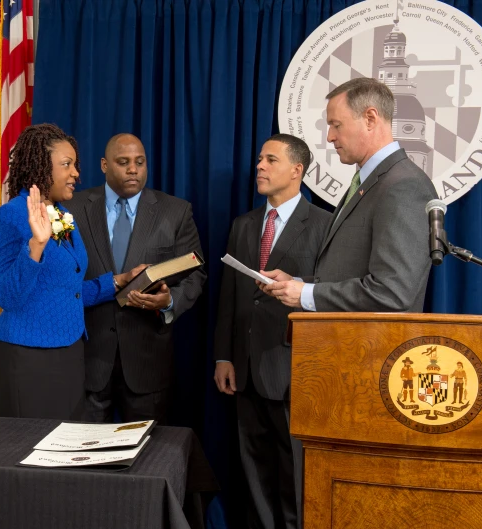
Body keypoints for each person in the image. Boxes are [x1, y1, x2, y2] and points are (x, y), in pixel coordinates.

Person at [213, 134, 331, 529]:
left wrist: (298, 283)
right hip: (244, 370)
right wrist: (224, 355)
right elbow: (230, 295)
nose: (259, 166)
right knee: (254, 473)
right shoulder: (244, 224)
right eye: (259, 158)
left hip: (293, 371)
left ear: (297, 170)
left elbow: (332, 289)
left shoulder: (325, 225)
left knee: (293, 472)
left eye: (271, 160)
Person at [0, 124, 144, 420]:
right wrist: (36, 244)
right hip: (29, 356)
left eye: (75, 165)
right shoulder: (12, 214)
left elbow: (67, 289)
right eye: (66, 165)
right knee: (29, 453)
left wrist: (118, 281)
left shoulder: (61, 215)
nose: (76, 174)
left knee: (63, 451)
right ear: (39, 168)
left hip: (70, 351)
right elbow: (5, 295)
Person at [262, 77, 438, 313]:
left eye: (336, 125)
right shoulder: (370, 181)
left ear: (370, 119)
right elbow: (348, 273)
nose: (330, 137)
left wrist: (306, 294)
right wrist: (298, 284)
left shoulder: (404, 185)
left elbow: (392, 293)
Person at [65, 133, 206, 423]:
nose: (133, 169)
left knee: (147, 458)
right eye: (124, 162)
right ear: (104, 165)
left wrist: (169, 302)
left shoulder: (175, 211)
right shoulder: (72, 209)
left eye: (140, 162)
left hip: (147, 361)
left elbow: (195, 274)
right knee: (81, 459)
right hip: (87, 360)